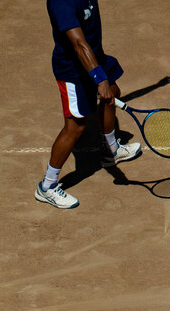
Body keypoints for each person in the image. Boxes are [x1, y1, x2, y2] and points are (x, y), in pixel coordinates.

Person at [35, 0, 141, 209]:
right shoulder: (61, 3)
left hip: (96, 58)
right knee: (76, 127)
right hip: (74, 70)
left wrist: (156, 85)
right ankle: (47, 187)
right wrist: (100, 80)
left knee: (114, 92)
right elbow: (78, 44)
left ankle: (110, 151)